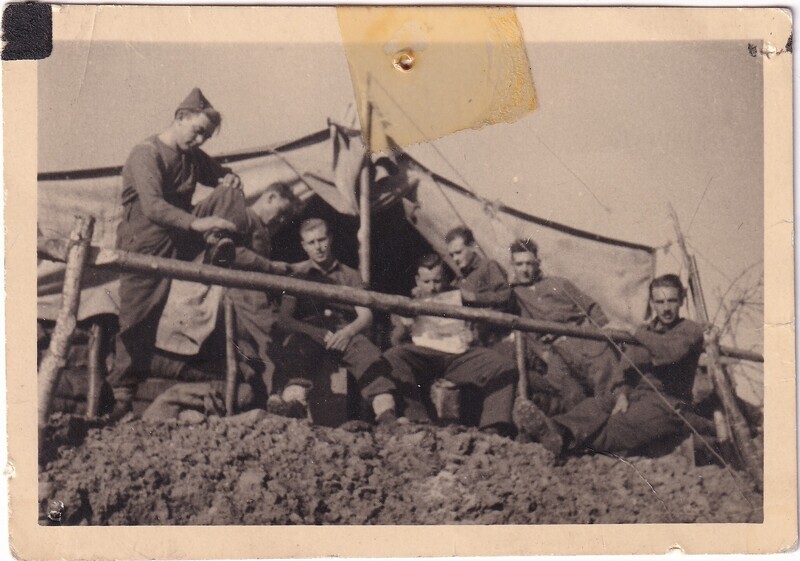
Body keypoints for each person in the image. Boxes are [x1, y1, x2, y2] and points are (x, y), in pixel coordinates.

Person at [107, 87, 248, 419]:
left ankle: (220, 249)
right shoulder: (146, 154)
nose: (200, 140)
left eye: (207, 136)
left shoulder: (192, 156)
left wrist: (231, 178)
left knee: (227, 195)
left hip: (181, 240)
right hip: (144, 246)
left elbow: (222, 174)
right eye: (197, 131)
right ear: (180, 117)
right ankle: (120, 398)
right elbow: (154, 207)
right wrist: (200, 226)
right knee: (138, 321)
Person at [518, 274, 706, 457]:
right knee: (597, 404)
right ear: (652, 303)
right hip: (635, 396)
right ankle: (555, 428)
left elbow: (669, 351)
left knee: (616, 426)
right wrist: (623, 394)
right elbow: (626, 369)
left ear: (682, 300)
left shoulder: (689, 330)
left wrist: (632, 330)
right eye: (660, 302)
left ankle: (563, 440)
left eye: (671, 301)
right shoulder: (645, 331)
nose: (666, 309)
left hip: (667, 405)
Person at [368, 253, 519, 436]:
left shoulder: (458, 296)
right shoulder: (408, 302)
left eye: (437, 281)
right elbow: (395, 341)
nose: (433, 287)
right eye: (427, 282)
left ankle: (494, 426)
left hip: (458, 355)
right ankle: (417, 419)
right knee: (393, 357)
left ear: (444, 278)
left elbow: (500, 301)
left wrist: (471, 327)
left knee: (502, 365)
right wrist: (405, 326)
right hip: (424, 355)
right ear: (417, 280)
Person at [271, 218, 394, 419]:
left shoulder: (350, 275)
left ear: (330, 238)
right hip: (309, 333)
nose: (318, 247)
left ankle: (385, 413)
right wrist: (313, 332)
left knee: (368, 355)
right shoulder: (297, 276)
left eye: (321, 240)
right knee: (297, 352)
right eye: (311, 243)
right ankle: (294, 405)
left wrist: (348, 333)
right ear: (304, 246)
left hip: (344, 332)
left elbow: (366, 316)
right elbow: (285, 319)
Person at [505, 238, 623, 414]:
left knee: (605, 375)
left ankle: (612, 420)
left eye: (529, 264)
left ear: (538, 263)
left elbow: (591, 307)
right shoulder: (512, 294)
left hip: (581, 339)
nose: (525, 270)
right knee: (571, 392)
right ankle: (589, 431)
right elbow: (525, 333)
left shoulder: (558, 284)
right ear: (512, 265)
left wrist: (603, 331)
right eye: (519, 264)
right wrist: (544, 355)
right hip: (553, 351)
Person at [445, 226, 511, 345]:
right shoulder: (457, 282)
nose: (455, 259)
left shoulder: (488, 266)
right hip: (471, 341)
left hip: (494, 339)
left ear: (472, 246)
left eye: (458, 252)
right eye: (452, 255)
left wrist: (473, 297)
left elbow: (506, 296)